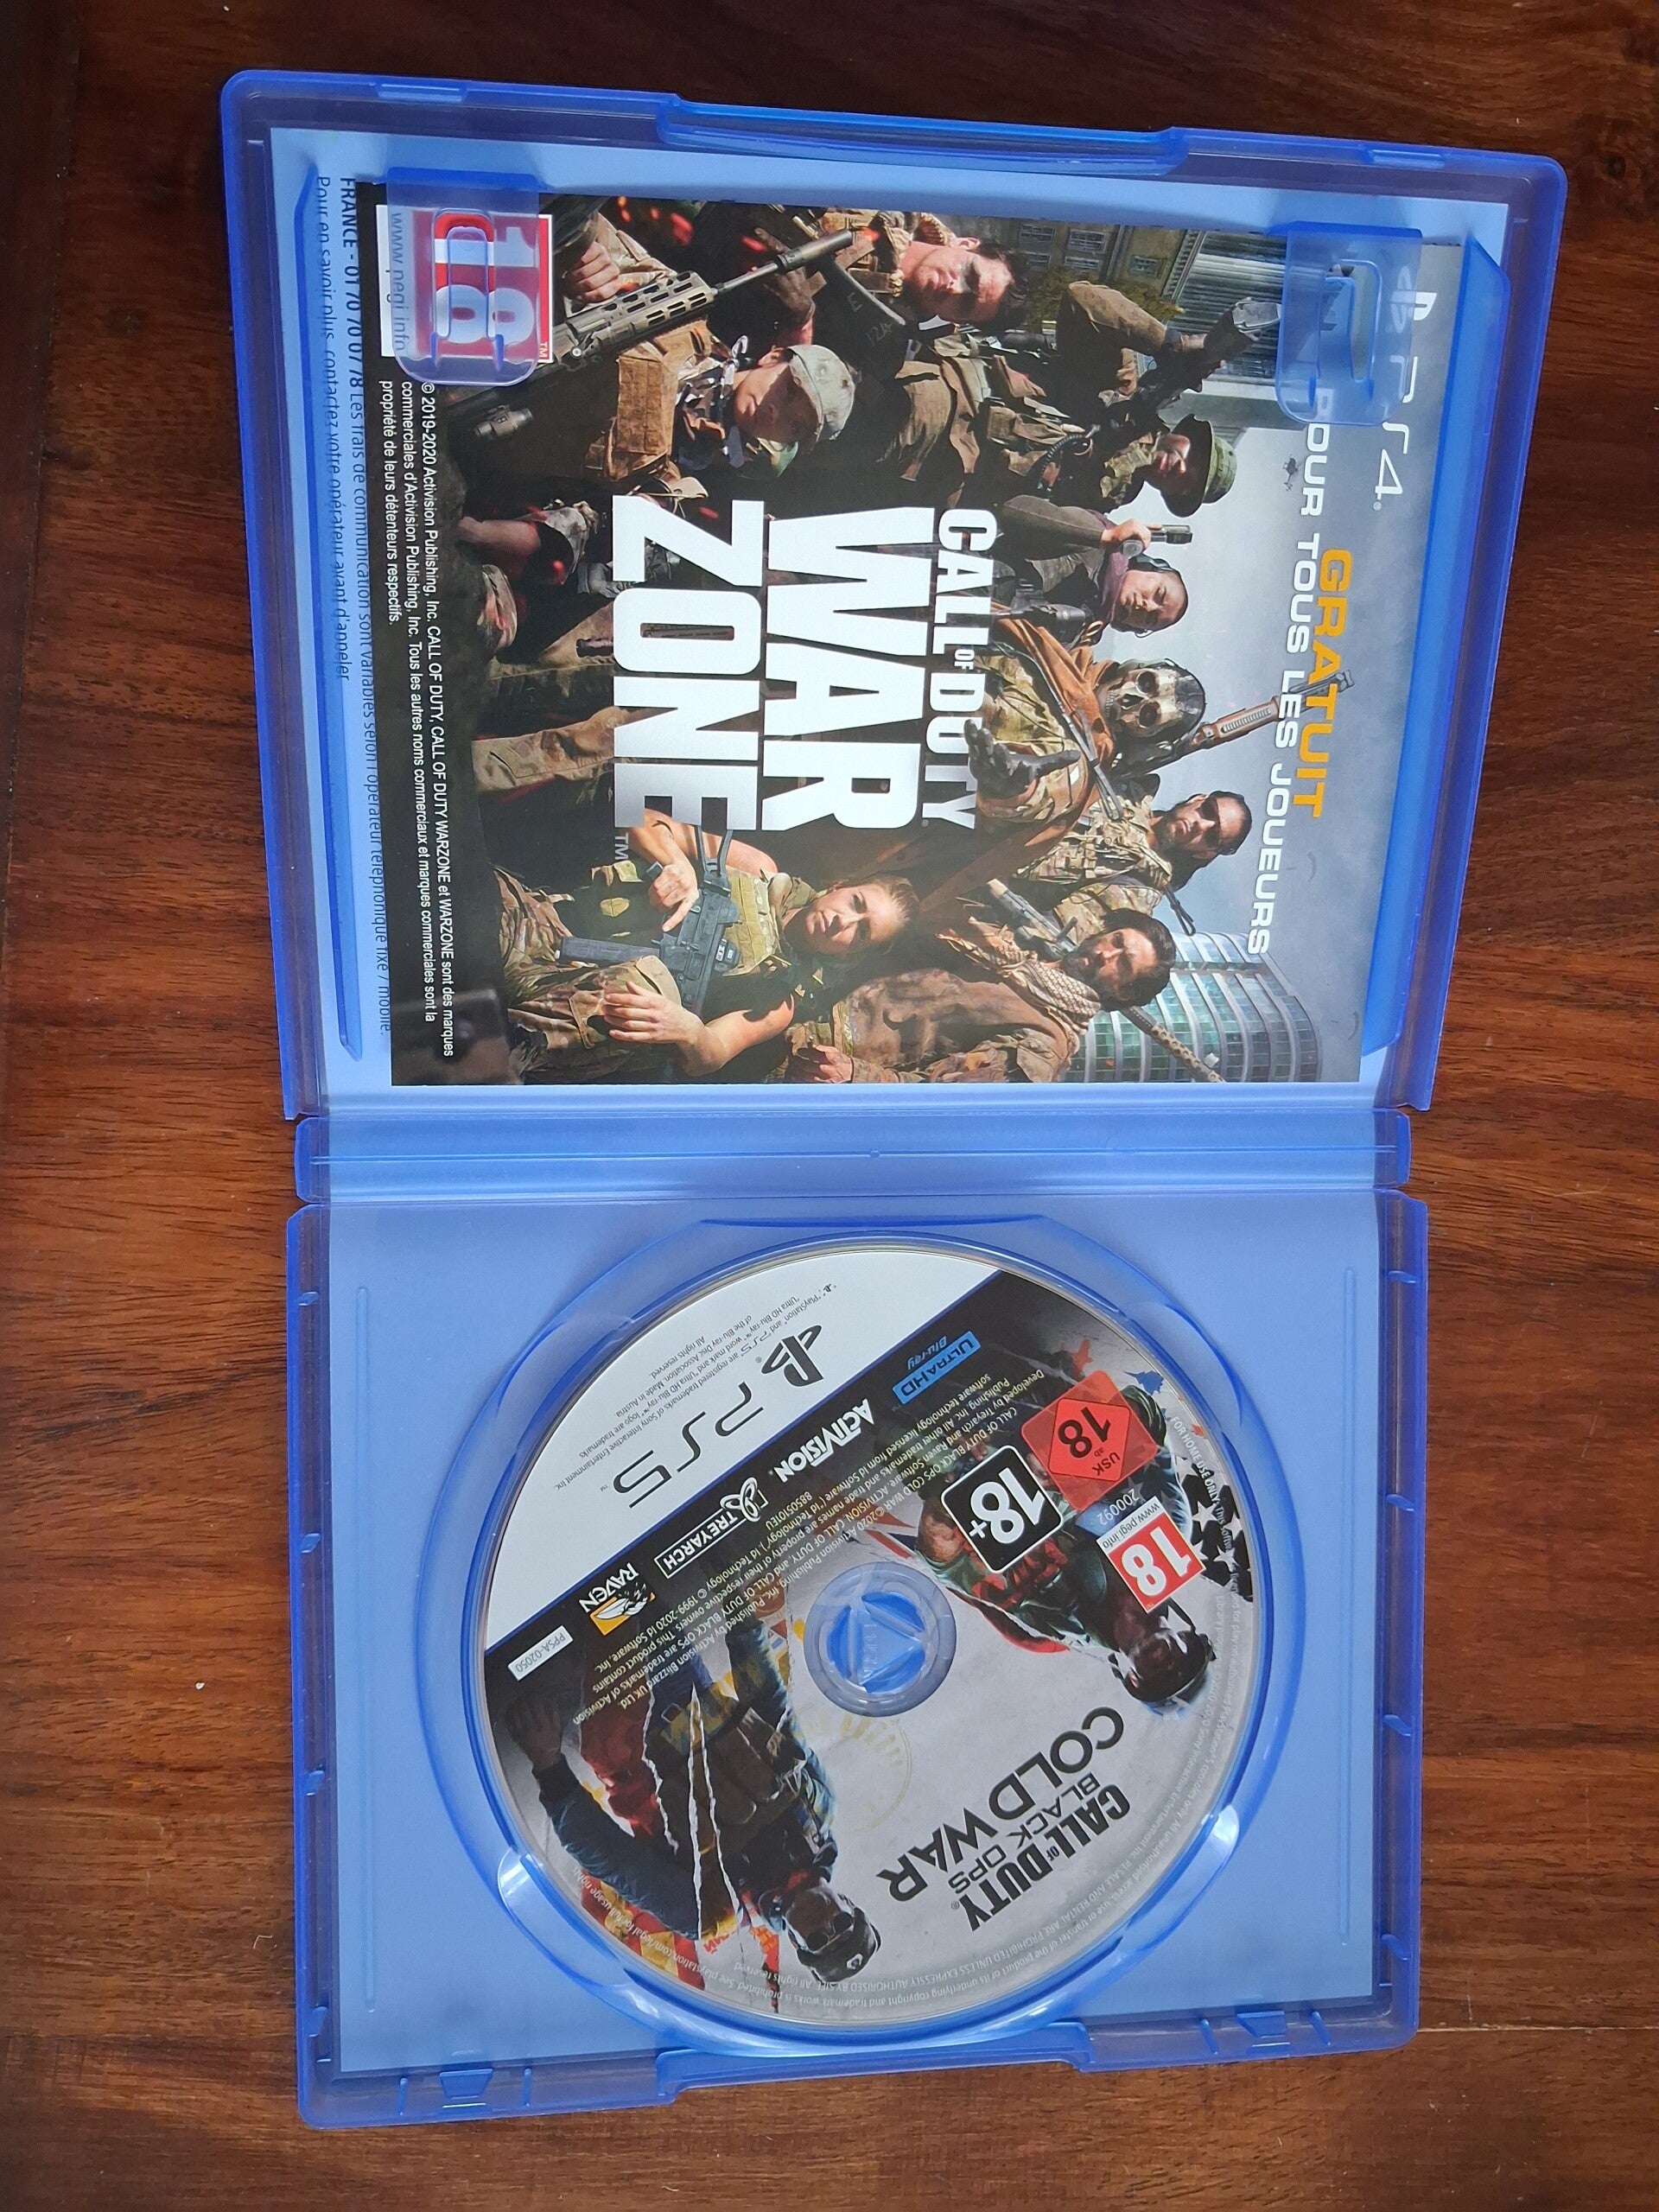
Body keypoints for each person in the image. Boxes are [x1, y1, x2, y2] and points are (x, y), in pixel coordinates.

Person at [503, 1610, 880, 1982]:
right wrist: (746, 1625)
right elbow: (774, 1709)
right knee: (630, 1591)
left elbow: (612, 1859)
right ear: (849, 1904)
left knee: (562, 1624)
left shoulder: (711, 1912)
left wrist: (548, 1763)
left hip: (624, 1730)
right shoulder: (819, 1810)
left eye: (818, 1940)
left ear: (797, 1942)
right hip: (688, 1682)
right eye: (841, 1924)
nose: (824, 1923)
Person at [455, 210, 856, 504]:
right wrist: (579, 267)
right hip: (473, 335)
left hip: (461, 443)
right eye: (788, 391)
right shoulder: (677, 313)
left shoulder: (672, 481)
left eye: (795, 425)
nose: (775, 413)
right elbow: (580, 225)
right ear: (772, 358)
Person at [495, 817, 918, 1081]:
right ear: (840, 887)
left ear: (849, 955)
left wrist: (688, 1028)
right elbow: (640, 821)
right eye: (855, 903)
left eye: (862, 933)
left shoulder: (779, 1000)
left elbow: (712, 1052)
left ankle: (500, 1050)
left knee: (651, 985)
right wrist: (677, 863)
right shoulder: (758, 870)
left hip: (574, 1007)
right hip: (546, 921)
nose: (845, 922)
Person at [782, 907, 1176, 1084]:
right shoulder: (1017, 953)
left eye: (1124, 963)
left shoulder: (1045, 1044)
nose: (1107, 954)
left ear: (1123, 992)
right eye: (1116, 940)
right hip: (803, 985)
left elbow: (942, 1101)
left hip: (809, 1053)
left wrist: (854, 1076)